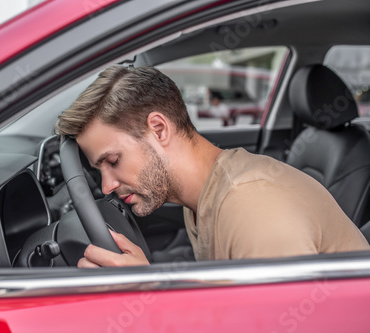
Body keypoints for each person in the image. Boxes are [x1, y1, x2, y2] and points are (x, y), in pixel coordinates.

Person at [54, 65, 370, 268]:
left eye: (112, 161)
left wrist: (146, 292)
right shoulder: (200, 197)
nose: (107, 185)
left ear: (159, 130)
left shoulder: (253, 207)